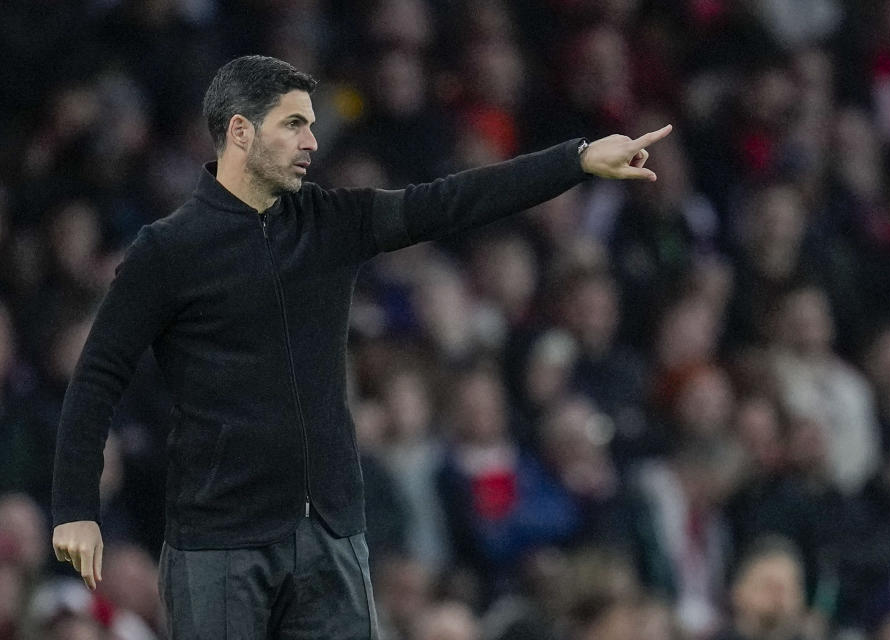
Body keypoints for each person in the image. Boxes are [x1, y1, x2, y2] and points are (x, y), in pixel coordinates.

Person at [50, 54, 672, 640]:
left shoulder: (332, 223)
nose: (312, 143)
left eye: (312, 126)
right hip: (218, 540)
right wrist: (77, 506)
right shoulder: (167, 251)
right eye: (294, 125)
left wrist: (577, 160)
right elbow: (99, 375)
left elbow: (450, 202)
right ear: (240, 131)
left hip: (330, 534)